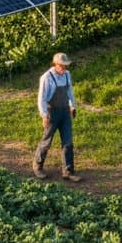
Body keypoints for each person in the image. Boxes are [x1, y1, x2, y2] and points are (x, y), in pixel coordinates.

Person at [33, 51, 81, 181]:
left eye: (66, 66)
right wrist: (44, 115)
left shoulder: (67, 75)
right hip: (52, 112)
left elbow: (69, 91)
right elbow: (41, 99)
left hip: (65, 112)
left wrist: (72, 106)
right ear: (55, 64)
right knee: (47, 141)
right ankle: (38, 166)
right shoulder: (46, 77)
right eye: (62, 66)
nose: (64, 68)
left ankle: (68, 171)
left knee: (68, 141)